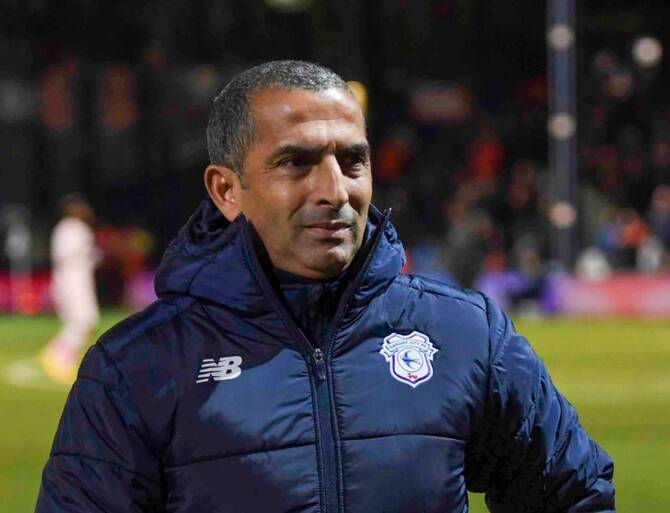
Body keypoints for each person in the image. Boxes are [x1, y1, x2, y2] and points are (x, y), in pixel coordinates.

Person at [36, 61, 614, 513]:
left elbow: (574, 495)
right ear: (226, 191)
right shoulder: (137, 367)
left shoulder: (465, 334)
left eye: (353, 160)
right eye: (297, 162)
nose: (335, 190)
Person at [40, 194, 100, 385]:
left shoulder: (64, 228)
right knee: (84, 320)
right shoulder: (74, 228)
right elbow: (68, 255)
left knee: (79, 321)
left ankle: (62, 357)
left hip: (70, 278)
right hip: (73, 279)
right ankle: (56, 356)